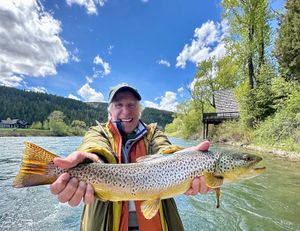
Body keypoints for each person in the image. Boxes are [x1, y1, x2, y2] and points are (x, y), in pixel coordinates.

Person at [50, 83, 211, 231]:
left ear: (139, 110)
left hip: (156, 223)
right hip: (106, 223)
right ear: (109, 111)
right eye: (119, 105)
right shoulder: (98, 133)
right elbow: (94, 145)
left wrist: (185, 160)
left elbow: (165, 150)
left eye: (131, 105)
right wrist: (92, 159)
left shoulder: (154, 133)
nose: (125, 111)